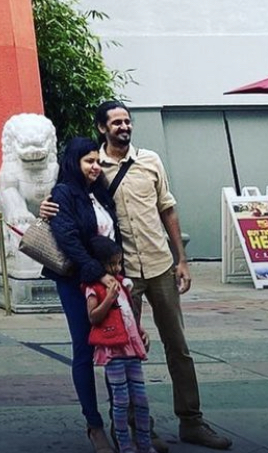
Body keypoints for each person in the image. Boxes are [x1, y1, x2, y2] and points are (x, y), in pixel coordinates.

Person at [95, 100, 231, 450]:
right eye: (116, 123)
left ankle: (192, 421)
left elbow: (167, 208)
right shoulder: (96, 169)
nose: (123, 127)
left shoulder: (150, 161)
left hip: (159, 266)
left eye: (127, 121)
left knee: (178, 347)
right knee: (123, 352)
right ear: (101, 129)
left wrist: (181, 260)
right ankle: (138, 427)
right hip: (123, 273)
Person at [47, 136, 122, 453]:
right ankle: (94, 425)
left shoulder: (101, 194)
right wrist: (96, 272)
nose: (95, 167)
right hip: (76, 280)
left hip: (109, 278)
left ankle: (122, 422)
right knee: (85, 349)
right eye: (88, 161)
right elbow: (68, 239)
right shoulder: (63, 193)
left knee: (117, 347)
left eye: (98, 161)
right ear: (74, 163)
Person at [84, 234, 152, 453]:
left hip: (132, 350)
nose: (116, 268)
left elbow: (128, 312)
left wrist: (139, 330)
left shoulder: (122, 284)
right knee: (121, 401)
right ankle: (125, 445)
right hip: (113, 352)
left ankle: (144, 443)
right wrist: (109, 298)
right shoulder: (94, 288)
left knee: (140, 400)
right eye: (111, 264)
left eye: (119, 263)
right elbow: (93, 317)